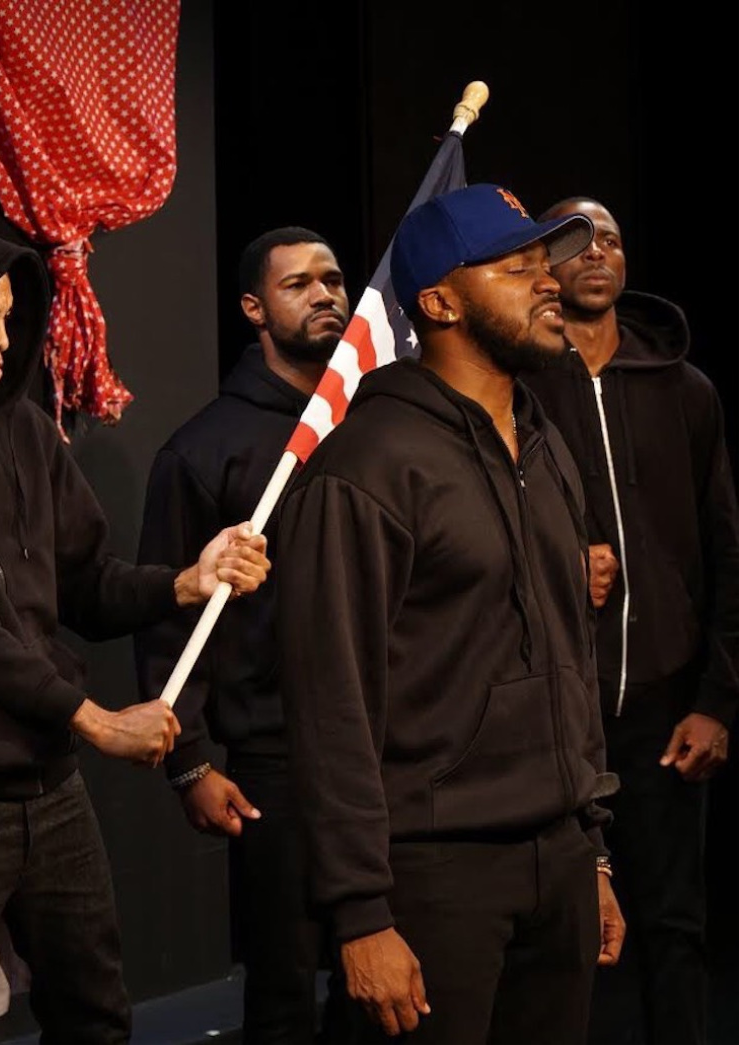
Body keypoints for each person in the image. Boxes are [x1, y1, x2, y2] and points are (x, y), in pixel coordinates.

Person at [275, 183, 626, 1044]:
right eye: (516, 269)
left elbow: (571, 661)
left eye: (546, 262)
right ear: (438, 302)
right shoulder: (369, 467)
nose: (551, 281)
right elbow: (331, 704)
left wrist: (593, 845)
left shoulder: (543, 445)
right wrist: (360, 913)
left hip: (559, 859)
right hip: (432, 876)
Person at [0, 220, 271, 1045]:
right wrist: (92, 718)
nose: (2, 337)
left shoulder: (21, 429)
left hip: (47, 782)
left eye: (10, 317)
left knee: (95, 1012)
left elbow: (86, 582)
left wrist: (185, 582)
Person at [521, 197, 739, 1045]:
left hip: (664, 709)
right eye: (574, 239)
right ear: (544, 264)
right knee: (560, 938)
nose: (597, 251)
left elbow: (726, 553)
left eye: (610, 236)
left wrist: (718, 698)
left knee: (675, 929)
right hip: (552, 707)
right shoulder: (520, 385)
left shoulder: (684, 390)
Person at [134, 226, 351, 1043]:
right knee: (286, 985)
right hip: (274, 754)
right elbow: (167, 615)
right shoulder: (201, 448)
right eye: (299, 283)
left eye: (332, 279)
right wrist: (189, 760)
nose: (324, 293)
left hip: (388, 738)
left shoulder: (371, 423)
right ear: (254, 307)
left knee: (389, 976)